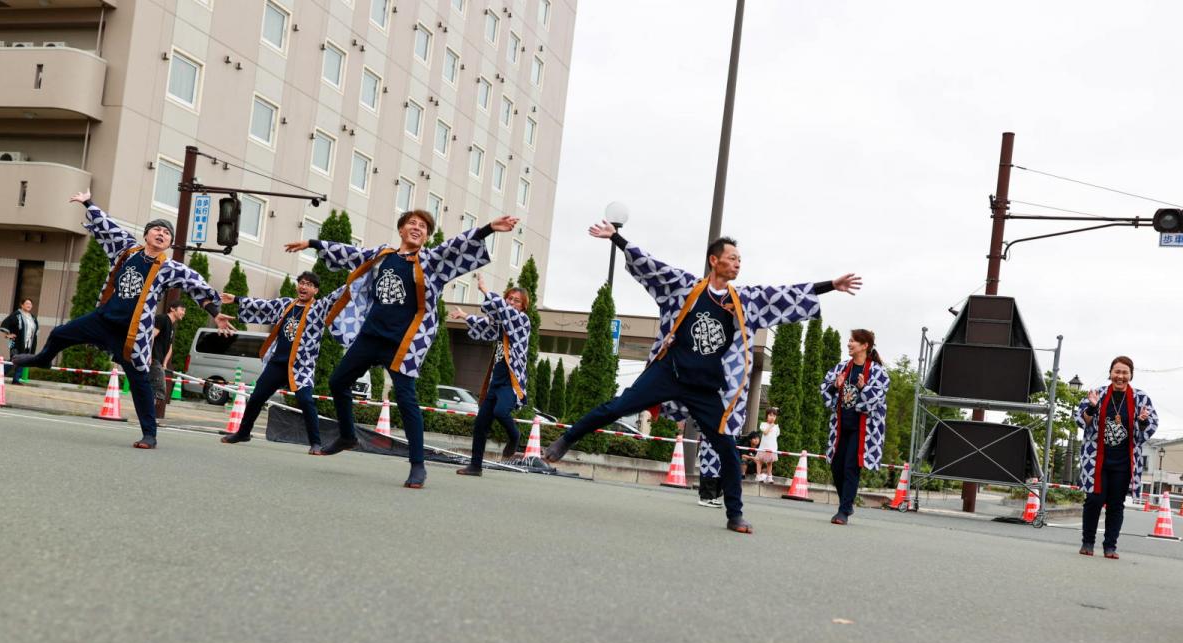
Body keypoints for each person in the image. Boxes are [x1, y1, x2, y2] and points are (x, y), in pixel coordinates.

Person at [543, 221, 862, 534]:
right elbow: (652, 266)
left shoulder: (744, 300)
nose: (738, 263)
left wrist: (830, 285)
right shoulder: (685, 287)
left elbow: (783, 294)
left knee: (726, 447)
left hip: (705, 387)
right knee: (618, 406)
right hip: (669, 372)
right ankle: (567, 439)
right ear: (714, 260)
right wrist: (618, 238)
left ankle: (735, 515)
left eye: (740, 259)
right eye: (732, 257)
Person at [284, 208, 518, 488]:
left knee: (407, 400)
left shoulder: (430, 261)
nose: (417, 228)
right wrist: (313, 243)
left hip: (403, 342)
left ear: (426, 236)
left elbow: (454, 246)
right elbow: (353, 253)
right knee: (337, 382)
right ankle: (348, 435)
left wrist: (488, 228)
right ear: (401, 230)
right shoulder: (383, 256)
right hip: (371, 335)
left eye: (423, 226)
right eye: (412, 223)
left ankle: (418, 465)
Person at [12, 191, 234, 448]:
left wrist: (215, 313)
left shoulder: (170, 268)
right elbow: (109, 227)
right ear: (147, 234)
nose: (161, 234)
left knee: (139, 380)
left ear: (169, 243)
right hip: (103, 319)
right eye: (157, 229)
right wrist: (88, 203)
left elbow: (198, 286)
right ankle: (42, 359)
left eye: (167, 233)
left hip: (132, 332)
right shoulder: (127, 251)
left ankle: (149, 434)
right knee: (61, 333)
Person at [218, 271, 347, 454]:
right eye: (301, 282)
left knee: (306, 401)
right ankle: (243, 432)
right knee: (256, 397)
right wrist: (237, 299)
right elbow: (264, 305)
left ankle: (316, 443)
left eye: (309, 284)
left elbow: (336, 295)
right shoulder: (286, 304)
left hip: (301, 366)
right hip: (278, 362)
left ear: (315, 290)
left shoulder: (318, 309)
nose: (303, 286)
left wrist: (356, 278)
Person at [1075, 356, 1158, 558]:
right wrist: (1092, 408)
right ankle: (1087, 542)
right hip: (1097, 459)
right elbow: (1082, 420)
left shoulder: (1141, 398)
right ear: (1110, 373)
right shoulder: (1098, 394)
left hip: (1124, 460)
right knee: (1094, 499)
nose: (1120, 376)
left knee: (1116, 503)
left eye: (1125, 373)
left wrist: (1142, 422)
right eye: (1117, 372)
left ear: (1131, 375)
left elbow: (1151, 426)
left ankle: (1110, 546)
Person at [449, 275, 531, 476]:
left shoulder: (522, 321)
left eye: (516, 300)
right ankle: (475, 466)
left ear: (523, 306)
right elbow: (487, 322)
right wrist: (465, 315)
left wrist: (485, 290)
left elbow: (503, 311)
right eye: (509, 298)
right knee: (481, 424)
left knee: (501, 412)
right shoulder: (503, 323)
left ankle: (515, 436)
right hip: (496, 379)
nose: (511, 302)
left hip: (512, 382)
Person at [821, 328, 890, 525]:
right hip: (841, 425)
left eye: (853, 341)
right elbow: (825, 389)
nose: (849, 344)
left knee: (851, 466)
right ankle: (847, 503)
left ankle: (843, 511)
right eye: (849, 340)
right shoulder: (842, 367)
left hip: (863, 430)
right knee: (836, 465)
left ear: (865, 346)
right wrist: (835, 385)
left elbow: (876, 400)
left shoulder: (878, 371)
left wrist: (863, 388)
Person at [150, 300, 186, 407]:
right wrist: (148, 355)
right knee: (159, 388)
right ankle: (149, 415)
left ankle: (149, 415)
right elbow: (151, 336)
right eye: (182, 310)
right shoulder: (162, 319)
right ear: (172, 309)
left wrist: (165, 363)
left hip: (159, 361)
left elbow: (170, 347)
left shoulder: (172, 326)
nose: (183, 313)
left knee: (154, 389)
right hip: (153, 358)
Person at [0, 298, 39, 385]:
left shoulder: (32, 317)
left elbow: (35, 331)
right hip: (15, 342)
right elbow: (6, 323)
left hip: (28, 343)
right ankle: (0, 375)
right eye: (27, 303)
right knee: (14, 360)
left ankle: (16, 380)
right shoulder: (17, 314)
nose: (29, 305)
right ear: (22, 305)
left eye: (30, 304)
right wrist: (7, 335)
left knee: (23, 360)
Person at [754, 407, 780, 483]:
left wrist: (773, 426)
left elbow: (776, 436)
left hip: (772, 447)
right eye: (770, 415)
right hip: (763, 447)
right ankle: (758, 476)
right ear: (766, 416)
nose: (772, 417)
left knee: (770, 463)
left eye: (774, 416)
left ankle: (769, 477)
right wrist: (770, 426)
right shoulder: (763, 424)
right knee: (760, 461)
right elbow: (765, 432)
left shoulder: (776, 427)